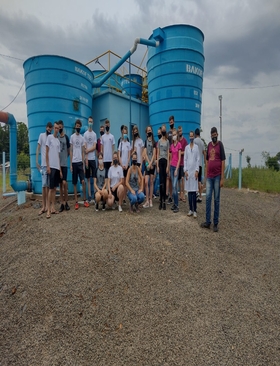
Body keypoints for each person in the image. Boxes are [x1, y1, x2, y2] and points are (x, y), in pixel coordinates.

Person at [201, 127, 226, 232]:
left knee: (216, 199)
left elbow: (223, 161)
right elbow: (206, 161)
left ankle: (215, 223)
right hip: (210, 176)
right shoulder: (209, 145)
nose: (213, 136)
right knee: (208, 198)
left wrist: (222, 178)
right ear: (210, 135)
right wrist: (206, 176)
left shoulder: (220, 145)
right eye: (212, 134)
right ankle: (208, 221)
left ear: (217, 134)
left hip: (217, 176)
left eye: (215, 134)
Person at [70, 119, 89, 209]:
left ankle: (85, 200)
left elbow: (83, 151)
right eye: (77, 126)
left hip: (80, 163)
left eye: (79, 126)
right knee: (74, 183)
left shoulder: (82, 138)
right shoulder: (72, 137)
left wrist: (83, 162)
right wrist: (70, 164)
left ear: (80, 127)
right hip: (74, 162)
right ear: (75, 126)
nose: (78, 127)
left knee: (83, 181)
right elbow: (71, 150)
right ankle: (76, 202)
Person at [36, 121, 53, 215]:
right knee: (44, 186)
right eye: (48, 127)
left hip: (50, 165)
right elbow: (38, 148)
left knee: (49, 186)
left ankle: (48, 206)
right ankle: (43, 206)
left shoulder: (51, 138)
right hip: (43, 165)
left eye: (51, 128)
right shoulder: (42, 136)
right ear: (46, 127)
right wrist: (36, 160)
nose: (49, 129)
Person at [46, 121, 62, 218]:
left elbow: (58, 156)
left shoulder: (58, 141)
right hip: (51, 166)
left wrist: (60, 169)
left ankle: (53, 207)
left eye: (57, 128)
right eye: (55, 128)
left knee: (55, 188)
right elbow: (47, 152)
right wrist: (48, 166)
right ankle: (48, 210)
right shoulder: (49, 138)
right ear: (53, 129)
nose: (56, 129)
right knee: (50, 189)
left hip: (57, 167)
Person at [184, 131, 200, 218]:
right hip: (188, 172)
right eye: (190, 136)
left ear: (194, 136)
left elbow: (198, 159)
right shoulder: (186, 148)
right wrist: (185, 170)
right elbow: (185, 159)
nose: (191, 138)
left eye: (192, 136)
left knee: (194, 192)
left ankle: (195, 210)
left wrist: (197, 170)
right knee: (189, 192)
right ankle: (190, 209)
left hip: (194, 172)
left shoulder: (196, 147)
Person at [57, 120, 70, 212]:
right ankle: (62, 203)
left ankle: (66, 201)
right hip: (58, 165)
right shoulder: (56, 138)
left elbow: (69, 151)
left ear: (63, 127)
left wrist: (64, 157)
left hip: (64, 164)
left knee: (65, 183)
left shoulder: (66, 138)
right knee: (60, 184)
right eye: (59, 127)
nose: (60, 128)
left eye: (61, 127)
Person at [143, 125, 156, 208]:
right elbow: (145, 153)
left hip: (153, 163)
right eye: (147, 130)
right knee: (146, 182)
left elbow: (154, 153)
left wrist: (152, 163)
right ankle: (147, 200)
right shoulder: (145, 141)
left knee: (151, 182)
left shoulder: (154, 142)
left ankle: (151, 199)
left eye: (150, 130)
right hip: (147, 164)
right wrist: (148, 163)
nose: (149, 131)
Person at [84, 116, 97, 202]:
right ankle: (89, 195)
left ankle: (95, 194)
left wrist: (88, 150)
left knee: (94, 177)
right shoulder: (85, 134)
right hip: (87, 159)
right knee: (88, 178)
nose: (90, 123)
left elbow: (95, 146)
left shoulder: (94, 134)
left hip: (93, 158)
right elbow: (85, 147)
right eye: (89, 121)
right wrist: (86, 158)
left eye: (91, 121)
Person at [157, 124, 170, 210]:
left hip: (165, 161)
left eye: (165, 130)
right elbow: (157, 154)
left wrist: (168, 165)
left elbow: (168, 154)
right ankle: (161, 201)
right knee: (161, 182)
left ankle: (164, 201)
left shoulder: (168, 141)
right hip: (160, 161)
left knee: (165, 182)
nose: (163, 131)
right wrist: (157, 165)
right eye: (162, 130)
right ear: (161, 131)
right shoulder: (159, 141)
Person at [169, 128, 182, 213]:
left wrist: (177, 169)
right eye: (172, 134)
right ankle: (174, 203)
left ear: (177, 135)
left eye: (175, 134)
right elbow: (170, 157)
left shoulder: (179, 145)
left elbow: (179, 158)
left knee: (174, 186)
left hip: (176, 167)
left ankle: (177, 205)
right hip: (171, 166)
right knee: (173, 187)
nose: (174, 136)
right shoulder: (171, 145)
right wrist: (170, 166)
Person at [118, 125, 130, 202]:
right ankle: (121, 197)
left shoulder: (128, 143)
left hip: (127, 165)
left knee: (126, 182)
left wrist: (127, 164)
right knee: (121, 182)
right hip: (121, 165)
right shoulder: (121, 143)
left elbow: (129, 155)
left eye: (126, 133)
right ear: (122, 133)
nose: (125, 134)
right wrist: (122, 165)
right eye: (124, 132)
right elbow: (119, 155)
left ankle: (125, 197)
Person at [194, 127, 206, 203]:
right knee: (200, 181)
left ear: (195, 134)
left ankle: (197, 193)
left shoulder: (194, 141)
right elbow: (204, 152)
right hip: (200, 164)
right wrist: (205, 160)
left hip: (195, 164)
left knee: (196, 180)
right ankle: (200, 197)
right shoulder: (202, 142)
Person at [178, 126, 188, 202]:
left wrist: (180, 153)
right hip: (177, 163)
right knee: (178, 179)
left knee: (182, 179)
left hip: (183, 162)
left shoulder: (184, 141)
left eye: (181, 130)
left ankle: (183, 194)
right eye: (179, 131)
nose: (180, 132)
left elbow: (186, 151)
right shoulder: (177, 141)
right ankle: (180, 194)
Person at [166, 115, 175, 204]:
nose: (171, 123)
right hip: (169, 155)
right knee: (168, 177)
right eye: (170, 122)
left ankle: (173, 195)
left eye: (172, 122)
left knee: (173, 178)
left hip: (175, 156)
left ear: (174, 122)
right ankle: (169, 195)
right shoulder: (168, 133)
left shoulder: (175, 132)